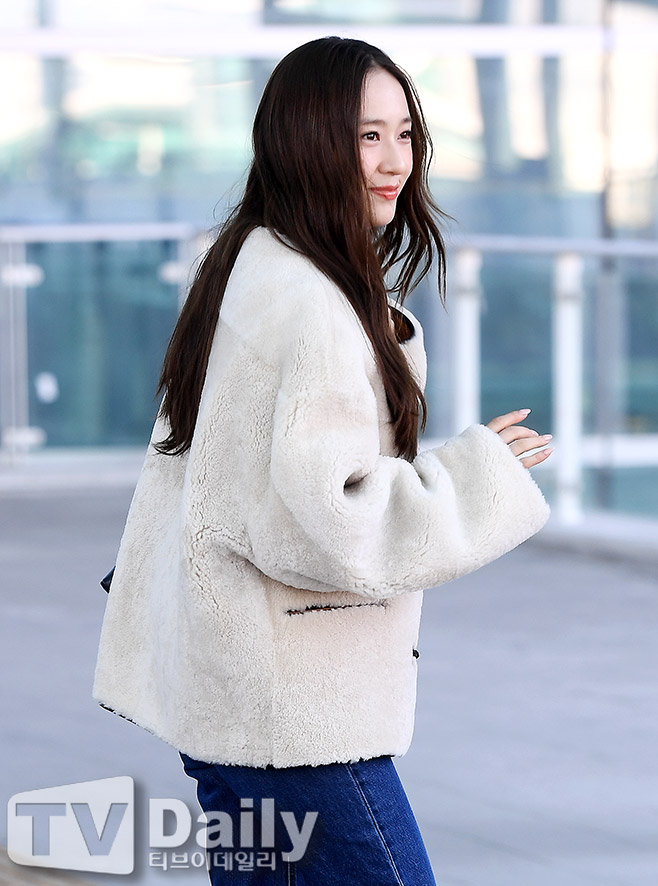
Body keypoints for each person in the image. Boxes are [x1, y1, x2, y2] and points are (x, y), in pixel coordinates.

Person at [93, 36, 552, 886]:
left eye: (404, 135)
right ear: (306, 139)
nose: (395, 162)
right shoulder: (312, 304)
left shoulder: (248, 262)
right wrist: (478, 476)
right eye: (366, 136)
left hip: (230, 690)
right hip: (295, 718)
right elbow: (326, 522)